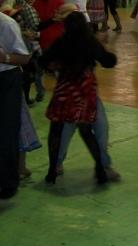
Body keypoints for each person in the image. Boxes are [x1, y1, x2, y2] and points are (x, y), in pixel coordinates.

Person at [40, 12, 117, 185]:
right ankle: (100, 169)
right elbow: (109, 61)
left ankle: (53, 169)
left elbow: (43, 60)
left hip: (65, 87)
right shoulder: (90, 42)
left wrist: (56, 65)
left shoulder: (62, 42)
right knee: (86, 130)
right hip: (84, 88)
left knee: (57, 131)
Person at [0, 11, 31, 200]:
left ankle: (8, 182)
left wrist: (4, 58)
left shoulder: (7, 24)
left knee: (6, 131)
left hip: (6, 79)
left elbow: (24, 57)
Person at [12, 0, 42, 105]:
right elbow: (35, 26)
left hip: (19, 43)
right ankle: (26, 98)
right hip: (28, 43)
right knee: (30, 72)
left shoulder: (16, 6)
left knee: (27, 71)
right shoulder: (27, 8)